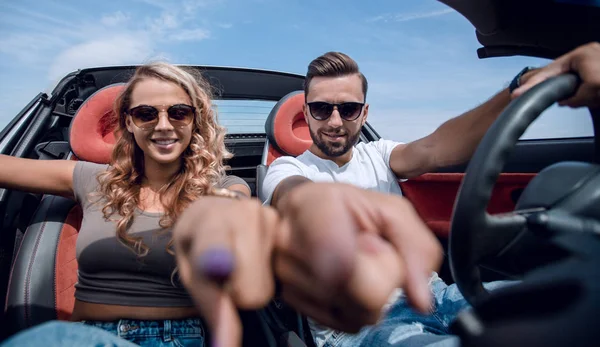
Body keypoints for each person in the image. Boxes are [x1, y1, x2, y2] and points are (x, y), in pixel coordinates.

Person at [170, 42, 600, 347]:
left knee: (569, 304)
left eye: (348, 108)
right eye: (321, 109)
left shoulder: (382, 153)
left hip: (436, 293)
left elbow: (436, 146)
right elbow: (292, 196)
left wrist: (521, 87)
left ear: (364, 112)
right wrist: (324, 204)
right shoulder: (287, 168)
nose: (334, 121)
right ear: (306, 112)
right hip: (360, 324)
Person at [0, 62, 250, 347]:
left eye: (179, 112)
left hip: (174, 339)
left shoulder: (219, 188)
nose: (164, 125)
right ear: (129, 122)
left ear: (195, 120)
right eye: (146, 114)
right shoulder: (91, 178)